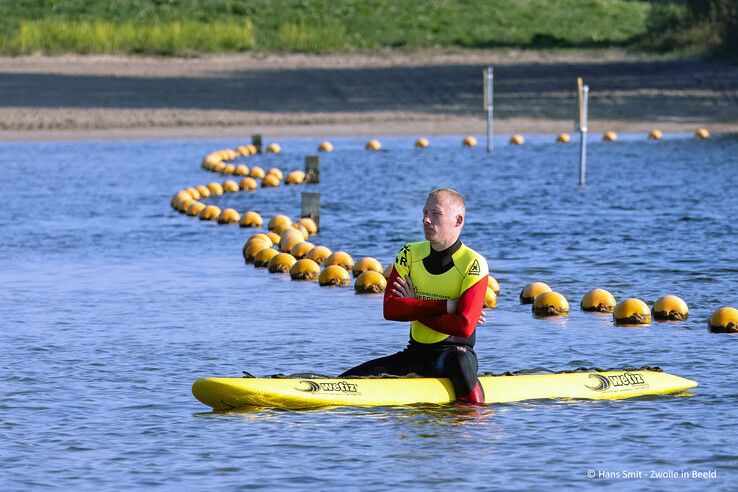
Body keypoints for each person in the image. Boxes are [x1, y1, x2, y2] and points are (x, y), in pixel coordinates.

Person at [340, 188, 489, 404]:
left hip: (453, 357)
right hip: (414, 354)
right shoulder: (409, 253)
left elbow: (463, 326)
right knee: (349, 379)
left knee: (459, 360)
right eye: (424, 213)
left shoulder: (473, 263)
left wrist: (414, 305)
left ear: (458, 221)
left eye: (435, 214)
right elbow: (391, 309)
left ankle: (475, 418)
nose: (426, 220)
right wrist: (446, 306)